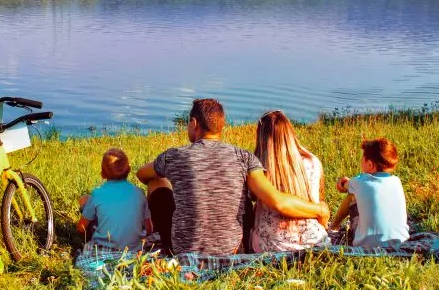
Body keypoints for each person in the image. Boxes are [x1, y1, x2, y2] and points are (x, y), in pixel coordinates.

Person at [137, 99, 329, 255]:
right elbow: (275, 200)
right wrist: (319, 209)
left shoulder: (174, 156)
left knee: (157, 182)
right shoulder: (244, 157)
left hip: (184, 249)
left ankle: (155, 230)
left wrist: (180, 184)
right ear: (221, 126)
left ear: (194, 124)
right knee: (243, 197)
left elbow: (142, 174)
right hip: (233, 249)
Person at [249, 110, 330, 252]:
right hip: (316, 243)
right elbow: (317, 198)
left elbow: (252, 197)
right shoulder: (312, 161)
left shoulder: (258, 168)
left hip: (272, 247)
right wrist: (320, 212)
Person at [329, 138, 410, 249]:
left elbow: (343, 186)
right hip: (401, 242)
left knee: (352, 196)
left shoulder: (359, 182)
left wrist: (344, 182)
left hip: (366, 244)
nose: (361, 162)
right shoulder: (397, 181)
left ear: (370, 164)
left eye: (362, 160)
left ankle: (333, 227)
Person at [77, 148, 153, 252]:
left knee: (84, 199)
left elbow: (81, 228)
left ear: (102, 174)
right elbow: (149, 229)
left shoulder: (97, 194)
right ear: (129, 170)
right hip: (134, 250)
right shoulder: (139, 192)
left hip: (104, 248)